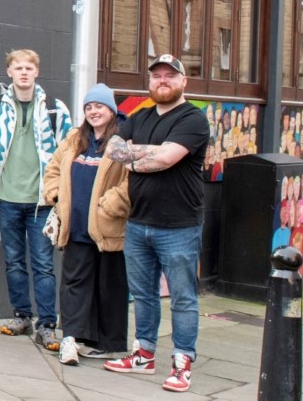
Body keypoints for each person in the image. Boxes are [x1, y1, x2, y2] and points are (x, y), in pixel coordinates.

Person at [103, 55, 209, 393]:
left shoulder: (193, 119)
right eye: (156, 76)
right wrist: (145, 156)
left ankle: (182, 363)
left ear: (183, 82)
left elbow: (166, 159)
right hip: (138, 222)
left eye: (169, 76)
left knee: (183, 297)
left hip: (179, 226)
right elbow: (113, 149)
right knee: (144, 294)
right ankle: (144, 355)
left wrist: (136, 159)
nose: (162, 81)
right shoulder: (140, 115)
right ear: (150, 81)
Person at [0, 48, 70, 350]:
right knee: (13, 261)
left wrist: (59, 186)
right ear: (9, 72)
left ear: (36, 72)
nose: (23, 72)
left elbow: (69, 147)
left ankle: (48, 323)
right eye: (18, 68)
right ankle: (22, 315)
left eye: (29, 68)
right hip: (7, 197)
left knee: (43, 263)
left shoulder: (54, 108)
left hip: (42, 201)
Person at [42, 83, 130, 365]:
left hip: (108, 227)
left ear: (111, 110)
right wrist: (55, 194)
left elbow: (133, 180)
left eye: (99, 106)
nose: (93, 112)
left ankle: (107, 343)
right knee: (75, 283)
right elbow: (53, 167)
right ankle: (72, 338)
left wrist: (111, 204)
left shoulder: (123, 140)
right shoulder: (74, 138)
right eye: (89, 107)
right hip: (76, 226)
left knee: (110, 284)